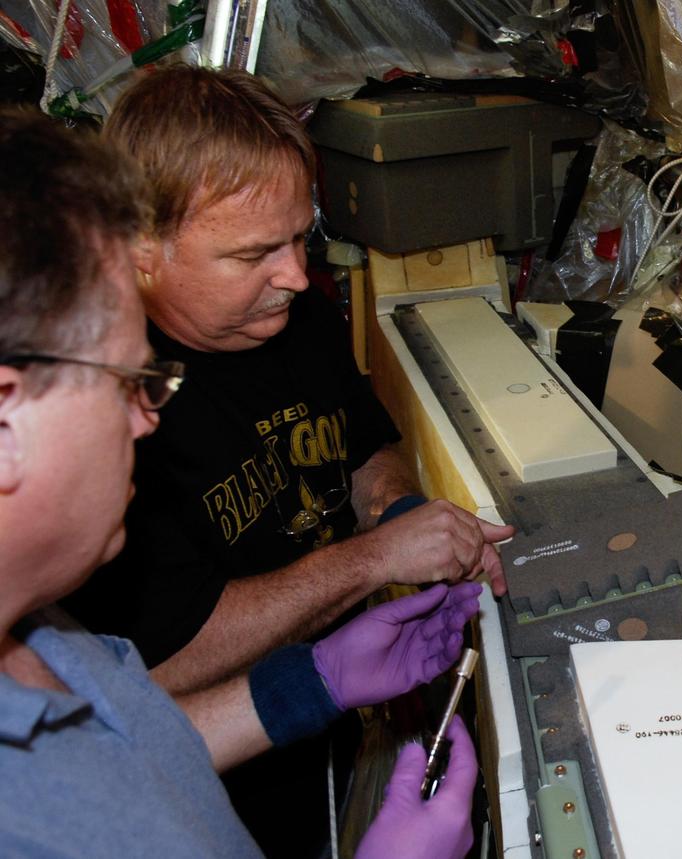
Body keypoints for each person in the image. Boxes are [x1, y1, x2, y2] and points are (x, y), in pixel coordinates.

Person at [60, 64, 515, 854]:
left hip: (304, 728)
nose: (296, 276)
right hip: (219, 793)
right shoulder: (113, 411)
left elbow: (363, 439)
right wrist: (372, 562)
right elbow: (151, 669)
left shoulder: (291, 313)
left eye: (302, 236)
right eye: (253, 254)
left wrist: (401, 514)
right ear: (141, 246)